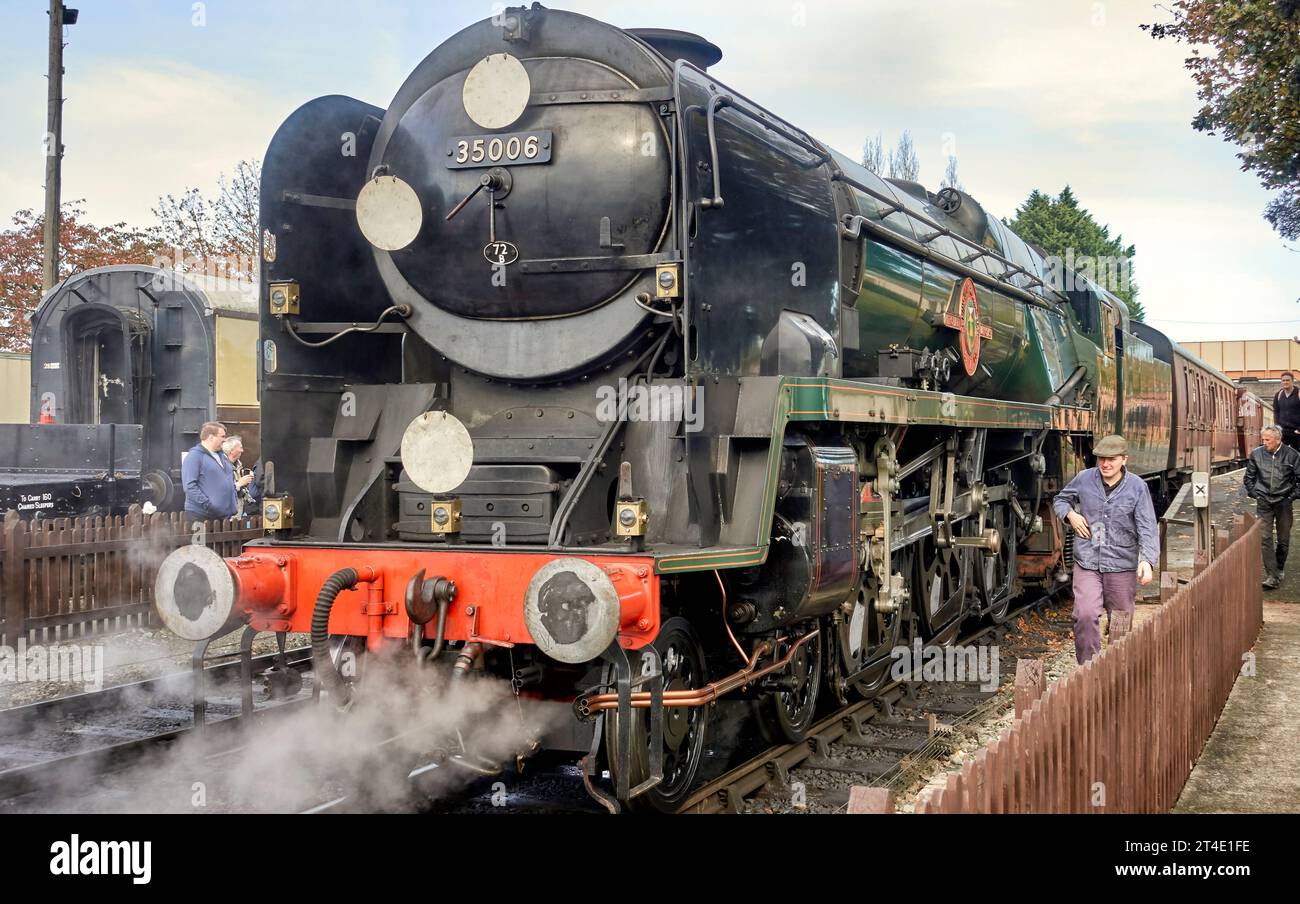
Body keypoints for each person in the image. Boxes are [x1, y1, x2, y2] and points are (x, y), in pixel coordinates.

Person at [1052, 434, 1159, 664]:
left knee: (1120, 621)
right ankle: (1089, 671)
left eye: (1111, 459)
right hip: (1088, 562)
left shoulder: (1137, 487)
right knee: (1085, 614)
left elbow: (1148, 527)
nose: (1105, 464)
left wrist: (1147, 561)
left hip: (1121, 565)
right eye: (1101, 459)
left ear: (1124, 459)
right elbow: (1060, 500)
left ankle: (1118, 669)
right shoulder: (1083, 479)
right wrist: (1070, 515)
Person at [1244, 424, 1300, 590]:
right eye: (1263, 439)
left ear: (1278, 440)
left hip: (1284, 502)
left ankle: (1279, 568)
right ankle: (1271, 575)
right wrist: (1256, 494)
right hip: (1264, 502)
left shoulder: (1293, 455)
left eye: (1267, 440)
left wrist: (1291, 497)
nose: (1264, 442)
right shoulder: (1256, 454)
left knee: (1283, 540)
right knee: (1265, 538)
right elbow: (1248, 478)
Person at [182, 421, 238, 523]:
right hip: (201, 517)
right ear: (211, 437)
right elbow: (189, 486)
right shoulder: (194, 456)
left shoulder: (223, 456)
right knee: (200, 540)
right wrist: (208, 505)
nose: (224, 440)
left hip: (222, 517)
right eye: (222, 436)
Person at [221, 434, 258, 515]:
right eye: (240, 448)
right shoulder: (221, 467)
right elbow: (221, 491)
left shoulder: (238, 466)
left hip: (238, 512)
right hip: (226, 514)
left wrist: (246, 482)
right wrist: (240, 483)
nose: (242, 451)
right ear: (232, 451)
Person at [1274, 372, 1300, 453]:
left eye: (1288, 380)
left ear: (1293, 381)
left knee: (1297, 456)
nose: (1285, 382)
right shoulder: (1278, 395)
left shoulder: (1298, 394)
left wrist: (1299, 429)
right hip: (1283, 431)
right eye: (1283, 380)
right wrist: (1278, 427)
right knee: (1281, 455)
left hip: (1297, 432)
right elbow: (1276, 412)